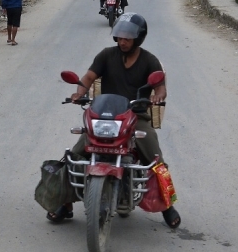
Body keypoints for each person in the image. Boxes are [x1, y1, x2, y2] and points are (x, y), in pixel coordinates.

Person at [48, 13, 180, 229]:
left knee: (155, 158)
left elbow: (160, 86)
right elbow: (88, 78)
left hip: (137, 117)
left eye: (127, 38)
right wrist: (79, 92)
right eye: (119, 37)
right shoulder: (106, 55)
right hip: (106, 116)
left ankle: (167, 206)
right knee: (74, 156)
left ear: (139, 38)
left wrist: (157, 96)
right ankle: (66, 204)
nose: (122, 41)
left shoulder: (149, 60)